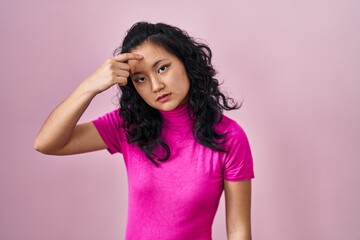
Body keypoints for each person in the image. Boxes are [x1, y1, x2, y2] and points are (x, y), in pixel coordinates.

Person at [34, 22, 255, 240]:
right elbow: (47, 143)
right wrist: (90, 86)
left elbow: (238, 232)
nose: (156, 85)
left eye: (162, 68)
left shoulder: (229, 137)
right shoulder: (130, 125)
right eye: (141, 79)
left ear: (186, 62)